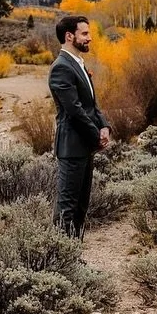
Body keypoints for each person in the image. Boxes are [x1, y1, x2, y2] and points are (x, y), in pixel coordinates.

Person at [49, 15, 110, 240]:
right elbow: (74, 110)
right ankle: (60, 254)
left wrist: (104, 126)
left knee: (81, 206)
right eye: (84, 33)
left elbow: (90, 104)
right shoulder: (61, 67)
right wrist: (96, 137)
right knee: (67, 207)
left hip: (84, 145)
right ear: (69, 36)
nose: (89, 38)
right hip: (72, 147)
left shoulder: (78, 63)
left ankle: (75, 251)